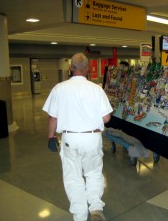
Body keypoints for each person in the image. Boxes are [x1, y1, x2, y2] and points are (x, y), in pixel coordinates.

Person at [43, 52, 113, 221]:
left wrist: (51, 137)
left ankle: (80, 215)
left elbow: (53, 117)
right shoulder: (96, 89)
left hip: (70, 139)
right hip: (92, 138)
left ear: (71, 68)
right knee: (94, 172)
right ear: (87, 69)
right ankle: (95, 208)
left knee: (72, 175)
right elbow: (106, 118)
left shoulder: (59, 88)